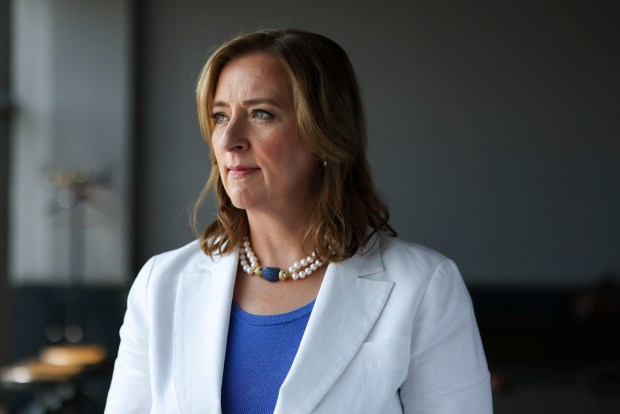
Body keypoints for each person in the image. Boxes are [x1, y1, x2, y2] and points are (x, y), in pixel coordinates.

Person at [105, 29, 492, 413]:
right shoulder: (161, 284)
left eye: (261, 114)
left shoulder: (424, 286)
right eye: (220, 116)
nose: (229, 140)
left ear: (323, 132)